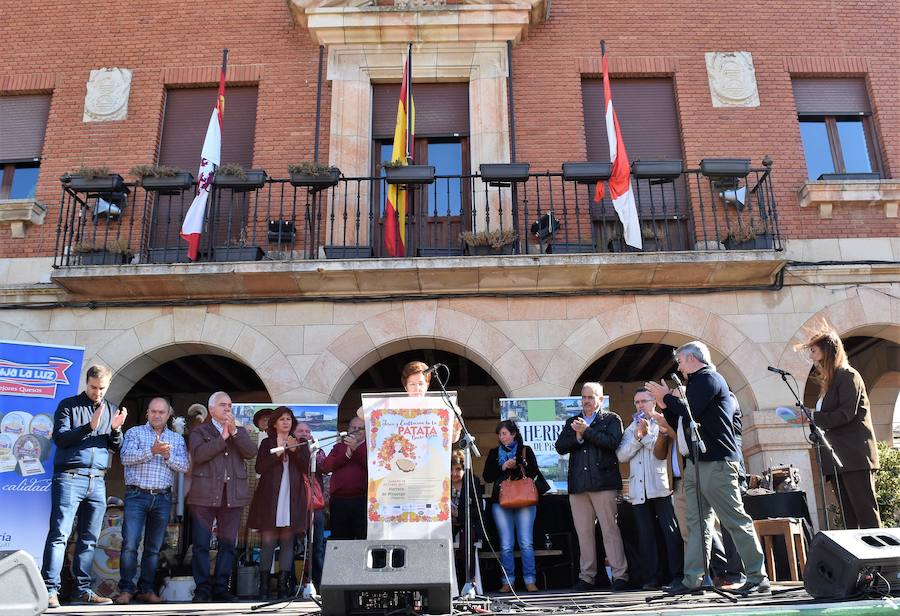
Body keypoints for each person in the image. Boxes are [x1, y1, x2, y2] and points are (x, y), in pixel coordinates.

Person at [645, 341, 769, 595]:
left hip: (717, 462)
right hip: (696, 464)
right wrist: (666, 403)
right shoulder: (696, 383)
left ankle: (758, 576)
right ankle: (694, 579)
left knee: (733, 519)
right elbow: (680, 418)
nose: (678, 367)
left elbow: (690, 412)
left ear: (691, 359)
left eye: (679, 361)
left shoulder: (708, 378)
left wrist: (665, 398)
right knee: (696, 523)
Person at [42, 365, 128, 608]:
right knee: (60, 534)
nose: (97, 393)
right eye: (93, 387)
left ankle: (82, 590)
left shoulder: (111, 409)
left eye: (102, 389)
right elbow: (60, 438)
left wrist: (116, 429)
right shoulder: (69, 405)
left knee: (89, 539)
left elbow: (114, 447)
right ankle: (49, 589)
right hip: (70, 477)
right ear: (86, 382)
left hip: (97, 479)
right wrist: (89, 426)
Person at [803, 327, 880, 529]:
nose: (811, 356)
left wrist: (813, 416)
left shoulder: (848, 376)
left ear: (827, 351)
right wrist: (808, 417)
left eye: (813, 351)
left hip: (853, 456)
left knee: (866, 515)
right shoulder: (830, 383)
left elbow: (845, 414)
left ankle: (879, 560)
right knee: (849, 520)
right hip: (837, 458)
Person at [555, 382, 629, 592]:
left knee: (610, 531)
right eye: (584, 397)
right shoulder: (572, 421)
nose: (586, 401)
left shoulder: (611, 419)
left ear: (600, 399)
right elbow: (560, 447)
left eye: (590, 397)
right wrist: (577, 437)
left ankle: (620, 576)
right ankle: (587, 578)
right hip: (578, 486)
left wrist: (586, 431)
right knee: (584, 534)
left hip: (604, 484)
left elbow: (612, 443)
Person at [115, 397, 189, 604]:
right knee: (130, 544)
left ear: (168, 415)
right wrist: (152, 451)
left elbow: (184, 466)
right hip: (136, 495)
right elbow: (125, 458)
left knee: (154, 548)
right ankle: (126, 589)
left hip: (163, 498)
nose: (157, 415)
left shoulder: (176, 439)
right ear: (147, 413)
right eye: (153, 411)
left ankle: (146, 589)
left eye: (161, 412)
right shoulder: (134, 432)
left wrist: (167, 457)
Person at [186, 391, 256, 603]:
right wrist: (223, 437)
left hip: (232, 496)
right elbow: (199, 455)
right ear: (212, 409)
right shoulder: (199, 431)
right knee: (201, 544)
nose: (228, 409)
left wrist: (234, 433)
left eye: (230, 406)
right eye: (223, 405)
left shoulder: (239, 431)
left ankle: (221, 588)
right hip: (203, 495)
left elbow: (251, 452)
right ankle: (202, 590)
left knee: (228, 544)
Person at [616, 387, 683, 590]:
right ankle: (652, 578)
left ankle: (677, 576)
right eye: (636, 402)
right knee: (646, 537)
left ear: (653, 401)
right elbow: (621, 455)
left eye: (643, 401)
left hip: (661, 487)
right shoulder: (630, 428)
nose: (639, 405)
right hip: (639, 490)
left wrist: (644, 436)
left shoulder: (663, 421)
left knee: (670, 533)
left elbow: (658, 451)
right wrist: (637, 437)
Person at [248, 407, 310, 599]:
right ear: (274, 423)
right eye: (282, 419)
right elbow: (259, 467)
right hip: (270, 497)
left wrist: (293, 450)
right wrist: (277, 454)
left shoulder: (299, 442)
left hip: (291, 497)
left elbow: (306, 467)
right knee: (267, 542)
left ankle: (283, 586)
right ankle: (264, 586)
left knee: (287, 542)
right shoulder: (267, 443)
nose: (286, 422)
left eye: (289, 419)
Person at [483, 420, 543, 593]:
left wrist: (519, 464)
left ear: (513, 433)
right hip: (501, 502)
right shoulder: (494, 453)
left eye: (504, 433)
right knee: (506, 544)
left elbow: (534, 473)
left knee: (526, 542)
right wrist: (503, 466)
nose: (502, 437)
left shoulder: (525, 450)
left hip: (525, 500)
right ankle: (507, 581)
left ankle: (530, 580)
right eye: (500, 434)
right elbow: (487, 476)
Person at [320, 414, 367, 540]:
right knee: (340, 539)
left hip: (362, 501)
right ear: (349, 429)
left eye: (360, 428)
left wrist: (356, 449)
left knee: (362, 537)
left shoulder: (369, 447)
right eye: (354, 427)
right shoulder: (339, 447)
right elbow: (326, 466)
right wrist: (347, 454)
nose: (356, 430)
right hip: (339, 501)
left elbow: (371, 466)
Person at [295, 421, 327, 588]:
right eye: (300, 430)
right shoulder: (290, 448)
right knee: (292, 544)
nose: (305, 433)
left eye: (307, 431)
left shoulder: (316, 449)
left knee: (317, 546)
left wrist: (315, 449)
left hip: (314, 504)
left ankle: (319, 583)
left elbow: (324, 466)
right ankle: (291, 583)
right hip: (294, 503)